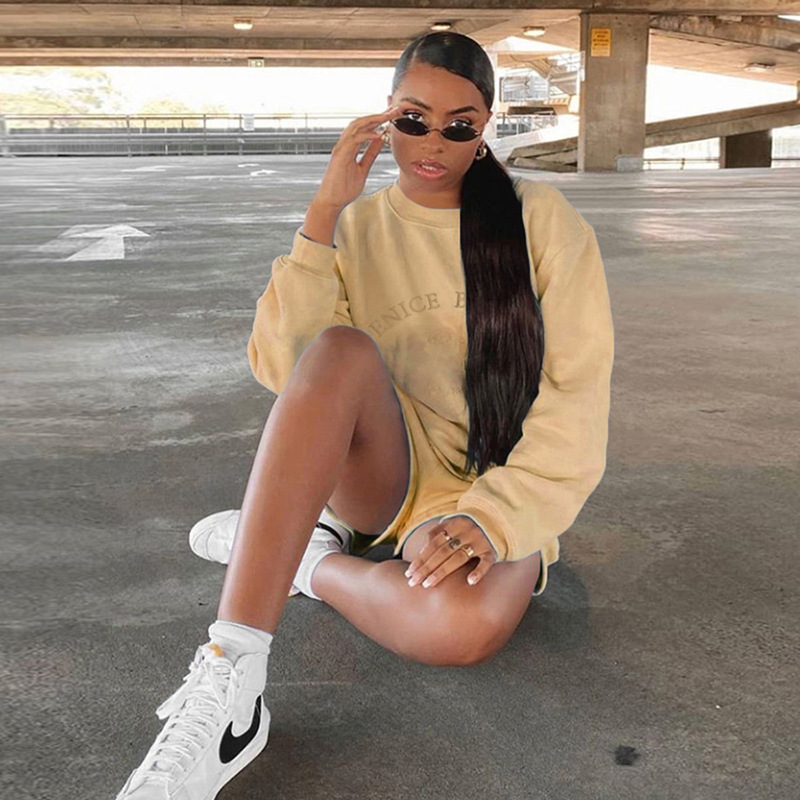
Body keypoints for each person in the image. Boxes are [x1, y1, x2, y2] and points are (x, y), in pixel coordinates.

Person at [113, 31, 614, 800]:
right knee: (339, 350)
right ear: (386, 117)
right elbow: (290, 371)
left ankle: (305, 561)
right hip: (384, 473)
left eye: (458, 126)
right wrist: (323, 215)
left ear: (485, 127)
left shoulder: (542, 223)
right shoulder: (357, 227)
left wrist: (495, 518)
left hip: (493, 487)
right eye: (414, 120)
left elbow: (575, 394)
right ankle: (232, 682)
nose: (432, 143)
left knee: (461, 629)